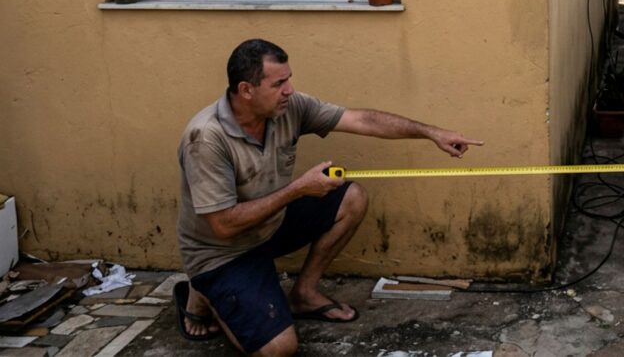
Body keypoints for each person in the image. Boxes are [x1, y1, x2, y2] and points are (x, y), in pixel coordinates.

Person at [173, 39, 483, 356]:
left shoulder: (287, 108)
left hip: (270, 225)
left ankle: (303, 294)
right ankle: (202, 292)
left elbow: (361, 120)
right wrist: (298, 189)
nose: (289, 90)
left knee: (352, 197)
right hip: (224, 252)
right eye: (279, 83)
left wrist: (432, 133)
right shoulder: (206, 138)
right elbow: (223, 225)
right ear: (246, 90)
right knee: (278, 349)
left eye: (288, 79)